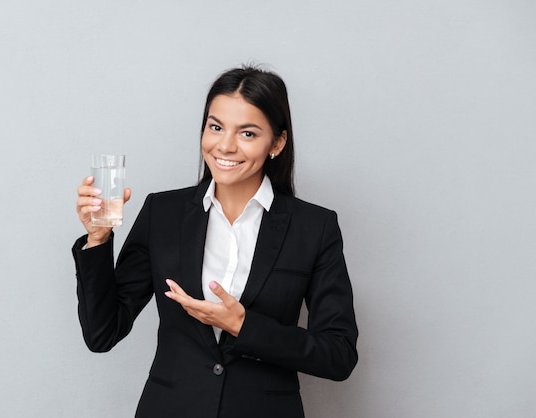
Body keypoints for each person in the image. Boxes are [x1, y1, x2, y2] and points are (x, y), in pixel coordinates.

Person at [73, 65, 358, 418]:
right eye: (216, 127)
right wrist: (98, 239)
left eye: (248, 133)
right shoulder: (162, 213)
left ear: (277, 143)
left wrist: (243, 325)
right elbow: (102, 333)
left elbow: (338, 354)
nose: (225, 145)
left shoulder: (314, 227)